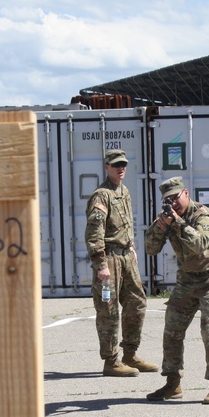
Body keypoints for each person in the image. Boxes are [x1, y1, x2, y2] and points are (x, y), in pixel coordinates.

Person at [144, 177, 209, 405]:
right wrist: (159, 227)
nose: (173, 203)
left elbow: (200, 243)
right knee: (172, 330)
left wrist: (179, 223)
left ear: (186, 193)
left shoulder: (203, 215)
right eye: (168, 200)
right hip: (187, 280)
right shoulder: (169, 218)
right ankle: (172, 384)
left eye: (176, 198)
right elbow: (150, 249)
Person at [84, 149, 158, 376]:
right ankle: (111, 361)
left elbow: (126, 223)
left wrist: (132, 246)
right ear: (107, 167)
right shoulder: (101, 195)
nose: (121, 168)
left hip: (126, 256)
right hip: (110, 259)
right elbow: (94, 232)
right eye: (116, 165)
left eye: (123, 164)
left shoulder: (124, 191)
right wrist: (100, 263)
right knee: (108, 309)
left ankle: (130, 354)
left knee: (137, 303)